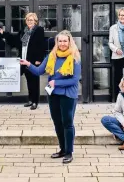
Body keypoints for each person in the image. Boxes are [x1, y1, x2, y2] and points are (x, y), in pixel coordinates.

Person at [20, 30, 81, 164]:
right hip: (53, 95)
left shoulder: (74, 57)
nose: (62, 43)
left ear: (69, 42)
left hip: (68, 95)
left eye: (65, 41)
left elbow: (75, 80)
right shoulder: (52, 56)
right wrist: (28, 64)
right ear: (56, 42)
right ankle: (63, 149)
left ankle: (69, 152)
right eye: (60, 41)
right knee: (57, 123)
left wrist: (56, 82)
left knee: (67, 123)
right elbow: (39, 71)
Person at [0, 13, 45, 110]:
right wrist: (3, 33)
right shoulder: (23, 31)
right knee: (29, 81)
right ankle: (30, 100)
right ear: (26, 21)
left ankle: (35, 102)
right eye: (28, 20)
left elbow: (41, 45)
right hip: (24, 59)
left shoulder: (39, 30)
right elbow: (15, 40)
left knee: (35, 81)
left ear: (35, 21)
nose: (29, 21)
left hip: (33, 60)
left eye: (31, 20)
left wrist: (39, 60)